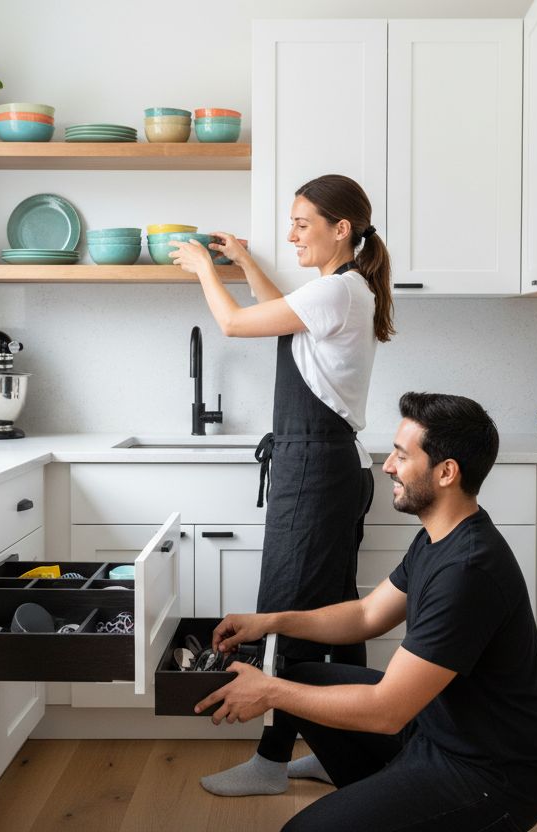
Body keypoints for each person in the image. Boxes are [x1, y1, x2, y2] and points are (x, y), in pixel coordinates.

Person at [194, 393, 537, 831]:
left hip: (490, 777)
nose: (387, 466)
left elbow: (386, 710)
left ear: (446, 472)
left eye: (402, 456)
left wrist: (269, 693)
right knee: (299, 675)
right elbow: (367, 614)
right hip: (435, 732)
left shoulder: (468, 571)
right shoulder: (438, 537)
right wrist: (272, 620)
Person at [168, 174, 395, 796]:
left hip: (317, 474)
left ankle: (271, 761)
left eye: (302, 223)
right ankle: (345, 755)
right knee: (338, 619)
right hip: (327, 468)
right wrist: (242, 261)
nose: (291, 234)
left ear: (340, 229)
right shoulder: (338, 291)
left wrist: (201, 270)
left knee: (287, 620)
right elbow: (280, 317)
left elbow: (238, 325)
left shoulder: (339, 292)